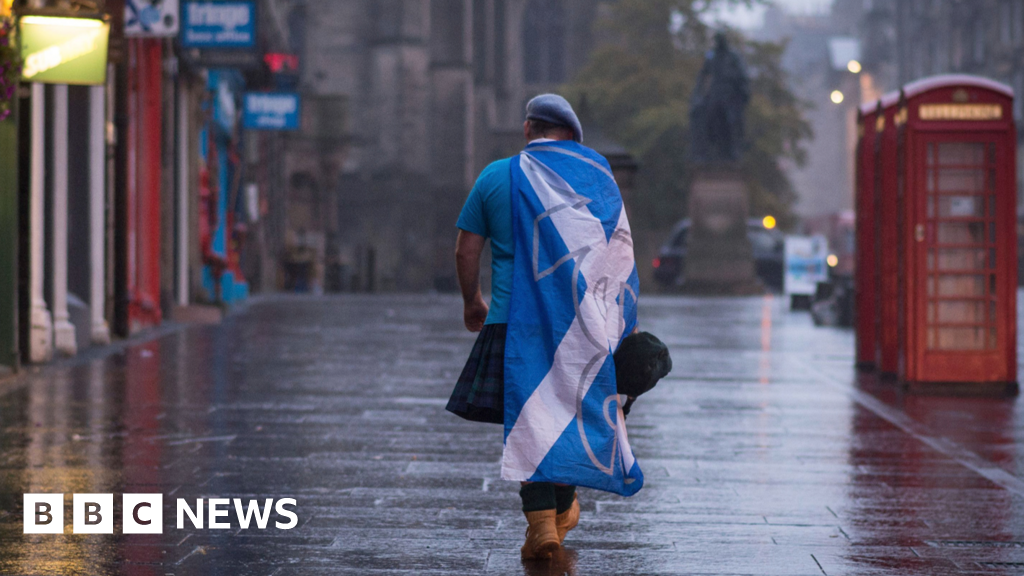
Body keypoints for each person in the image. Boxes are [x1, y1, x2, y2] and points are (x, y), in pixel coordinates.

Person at [448, 94, 643, 562]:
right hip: (581, 323)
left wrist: (472, 300)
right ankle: (557, 515)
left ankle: (543, 526)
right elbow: (618, 255)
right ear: (573, 137)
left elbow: (464, 251)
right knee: (572, 410)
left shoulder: (497, 175)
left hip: (512, 321)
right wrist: (624, 323)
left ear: (527, 128)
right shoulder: (596, 178)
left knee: (531, 419)